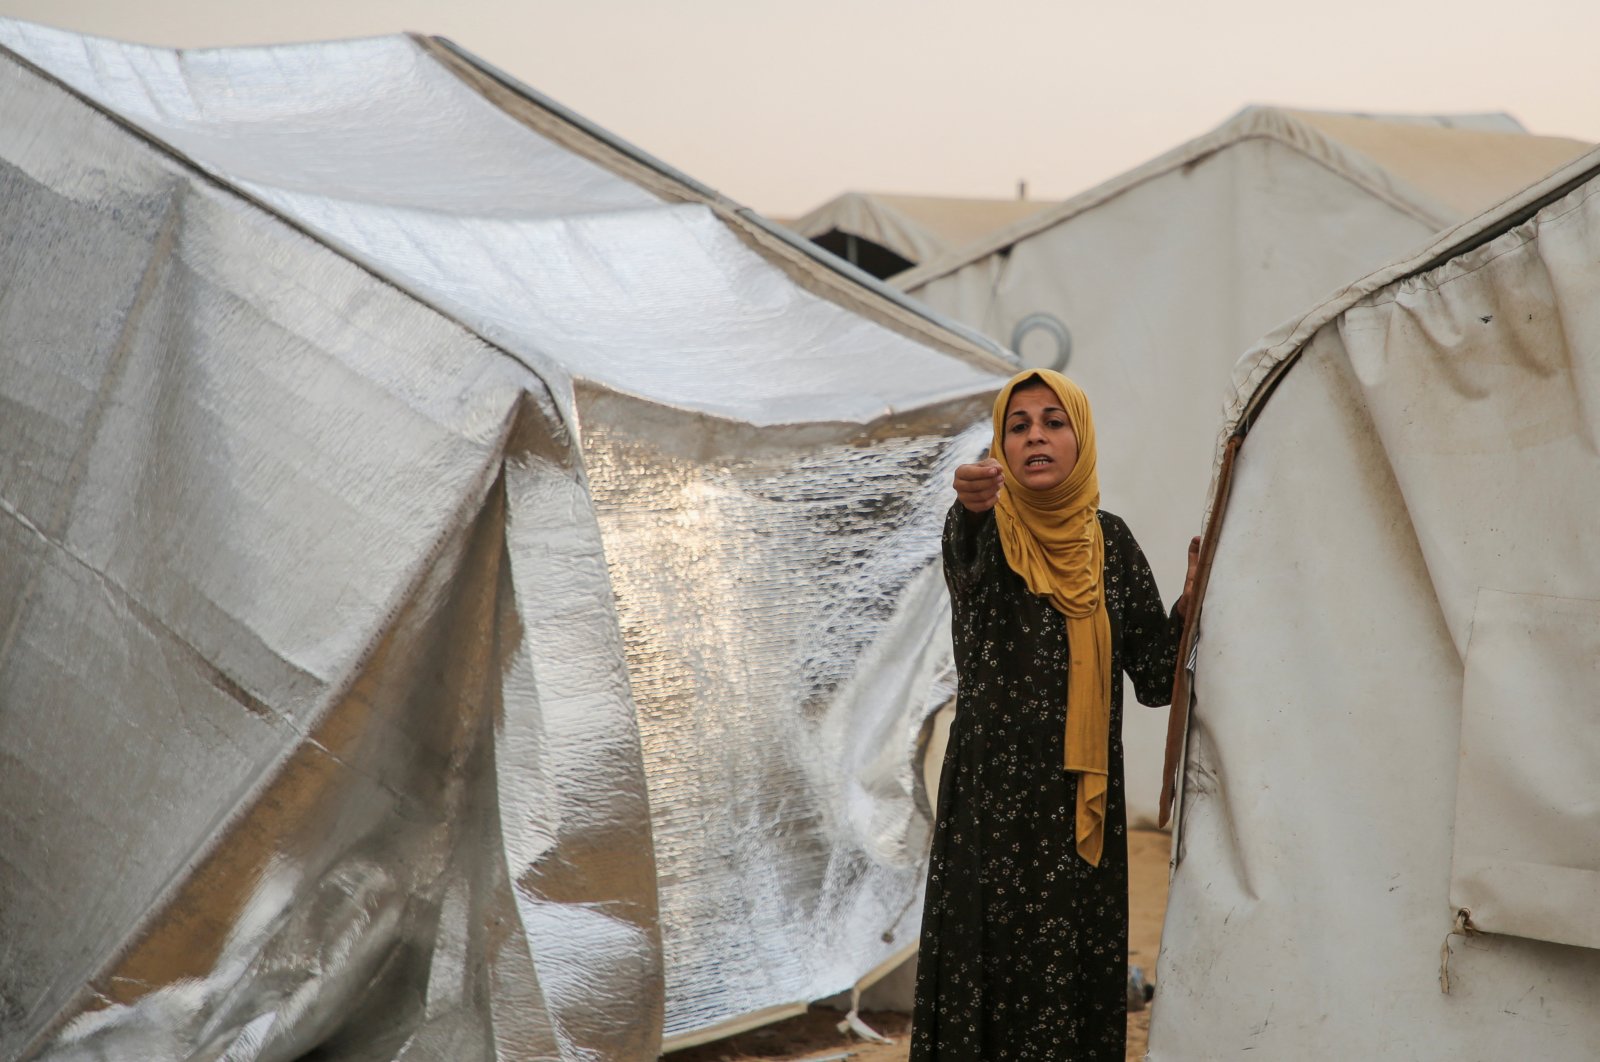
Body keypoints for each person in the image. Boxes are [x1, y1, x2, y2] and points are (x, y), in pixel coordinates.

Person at [910, 368, 1199, 1060]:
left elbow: (1158, 680)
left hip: (1078, 813)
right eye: (1019, 425)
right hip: (993, 811)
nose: (1036, 435)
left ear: (1081, 438)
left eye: (1053, 421)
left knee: (1068, 979)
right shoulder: (984, 535)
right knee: (991, 966)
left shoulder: (1113, 546)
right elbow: (967, 558)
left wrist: (1192, 601)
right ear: (1001, 448)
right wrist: (973, 507)